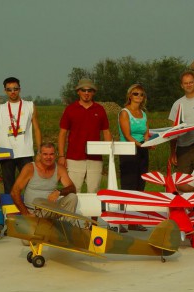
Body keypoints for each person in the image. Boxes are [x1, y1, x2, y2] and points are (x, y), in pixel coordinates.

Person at [58, 78, 112, 194]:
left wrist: (109, 152)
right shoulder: (70, 109)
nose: (86, 93)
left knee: (94, 190)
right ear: (78, 91)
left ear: (93, 92)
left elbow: (106, 132)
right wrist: (62, 155)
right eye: (83, 90)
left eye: (89, 90)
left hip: (95, 158)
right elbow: (63, 133)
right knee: (74, 190)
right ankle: (73, 213)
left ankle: (92, 213)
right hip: (74, 157)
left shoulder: (100, 109)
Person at [0, 77, 42, 194]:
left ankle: (31, 208)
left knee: (30, 184)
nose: (12, 92)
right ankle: (11, 210)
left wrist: (39, 151)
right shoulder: (0, 108)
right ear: (5, 91)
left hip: (25, 152)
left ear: (20, 89)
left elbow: (37, 129)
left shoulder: (30, 106)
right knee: (8, 186)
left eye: (15, 89)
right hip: (5, 152)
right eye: (9, 89)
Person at [11, 142, 77, 217]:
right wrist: (25, 213)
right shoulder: (30, 168)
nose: (48, 157)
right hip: (34, 211)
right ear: (39, 155)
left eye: (51, 154)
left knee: (72, 197)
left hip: (51, 209)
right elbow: (14, 192)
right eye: (45, 154)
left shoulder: (59, 169)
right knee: (45, 209)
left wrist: (59, 192)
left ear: (55, 155)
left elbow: (73, 188)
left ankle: (68, 226)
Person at [118, 84, 151, 232]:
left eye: (141, 94)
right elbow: (127, 135)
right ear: (130, 95)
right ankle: (121, 220)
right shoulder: (124, 113)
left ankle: (134, 221)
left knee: (140, 185)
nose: (138, 96)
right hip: (128, 150)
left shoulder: (143, 114)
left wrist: (149, 143)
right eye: (135, 94)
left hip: (142, 150)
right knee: (128, 186)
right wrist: (141, 145)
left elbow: (146, 133)